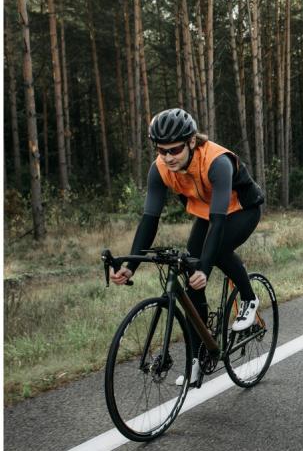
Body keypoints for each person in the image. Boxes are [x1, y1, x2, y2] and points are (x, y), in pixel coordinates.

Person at [110, 108, 265, 385]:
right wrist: (129, 266)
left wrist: (205, 268)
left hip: (242, 208)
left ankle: (249, 299)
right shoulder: (159, 169)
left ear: (192, 141)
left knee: (214, 254)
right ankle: (199, 356)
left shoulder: (217, 162)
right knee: (190, 271)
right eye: (161, 150)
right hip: (209, 212)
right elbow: (149, 220)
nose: (168, 157)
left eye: (175, 149)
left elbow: (219, 224)